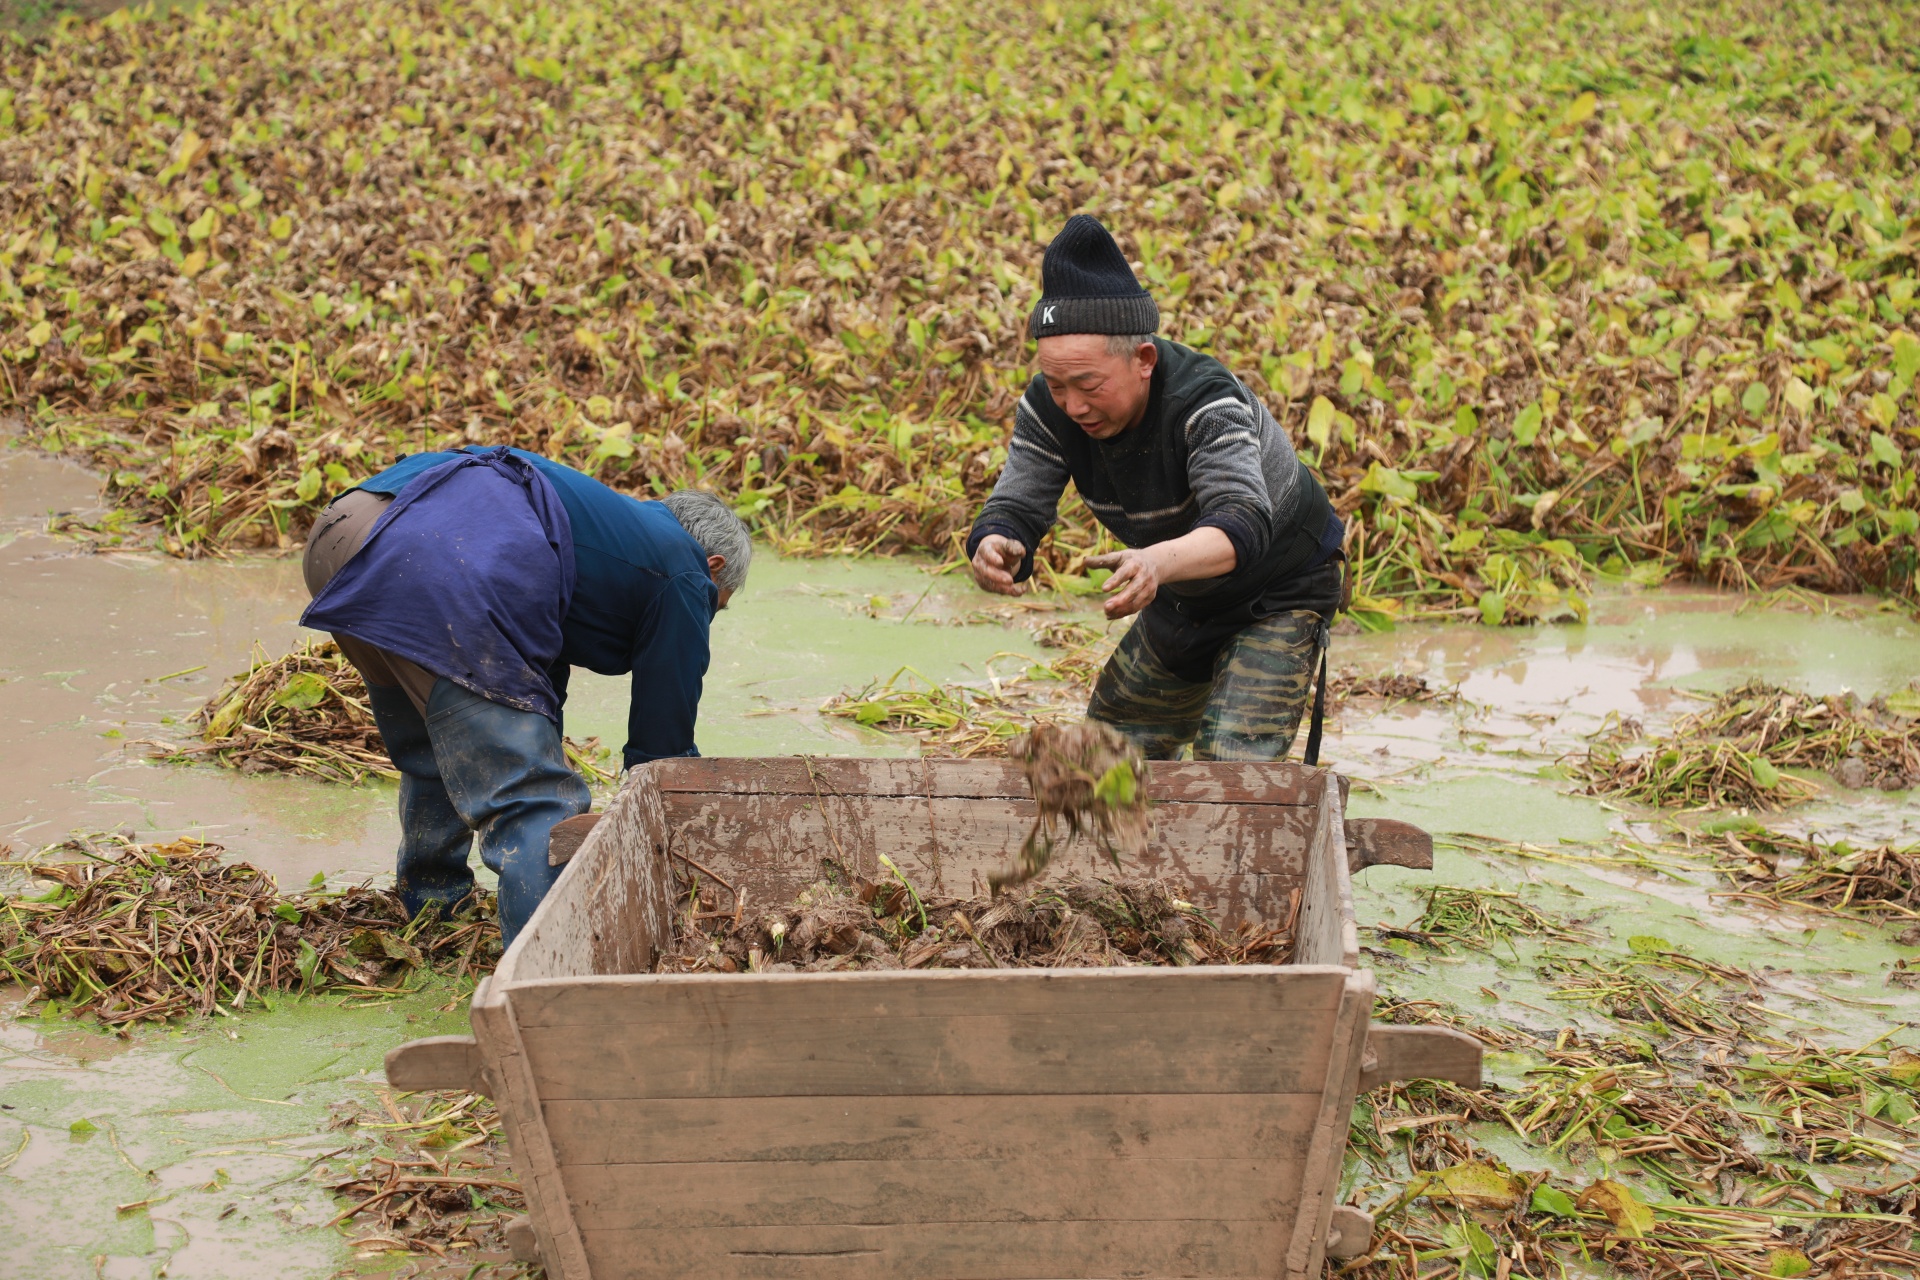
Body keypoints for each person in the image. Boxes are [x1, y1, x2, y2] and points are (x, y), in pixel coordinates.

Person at [300, 445, 750, 946]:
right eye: (717, 605)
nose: (706, 615)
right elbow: (661, 751)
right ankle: (549, 968)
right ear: (714, 564)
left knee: (436, 753)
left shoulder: (598, 529)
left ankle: (432, 911)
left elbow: (532, 685)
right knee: (533, 801)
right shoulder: (686, 570)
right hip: (436, 558)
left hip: (344, 532)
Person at [967, 214, 1345, 762]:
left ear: (1143, 360)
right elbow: (1017, 501)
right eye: (1057, 384)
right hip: (1181, 589)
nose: (1073, 405)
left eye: (1089, 385)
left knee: (1232, 766)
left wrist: (1154, 565)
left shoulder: (1206, 402)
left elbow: (1240, 521)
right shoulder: (1051, 409)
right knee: (1107, 757)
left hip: (1278, 590)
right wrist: (997, 541)